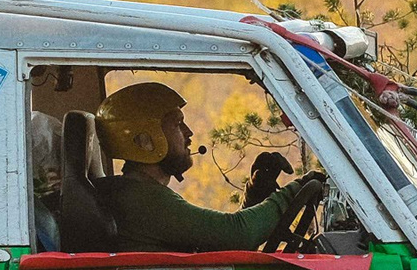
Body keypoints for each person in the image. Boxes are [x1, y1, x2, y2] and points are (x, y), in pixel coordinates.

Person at [93, 81, 328, 252]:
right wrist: (293, 192)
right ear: (145, 141)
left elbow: (218, 240)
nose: (189, 133)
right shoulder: (139, 199)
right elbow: (237, 234)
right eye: (177, 125)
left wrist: (256, 195)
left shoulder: (131, 194)